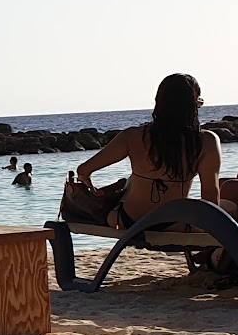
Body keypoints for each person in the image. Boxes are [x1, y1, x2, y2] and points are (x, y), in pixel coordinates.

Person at [76, 73, 221, 228]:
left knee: (130, 182)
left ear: (158, 101)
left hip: (128, 222)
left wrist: (91, 186)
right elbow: (210, 197)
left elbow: (83, 170)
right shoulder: (206, 142)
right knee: (230, 207)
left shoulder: (132, 136)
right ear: (194, 104)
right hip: (174, 226)